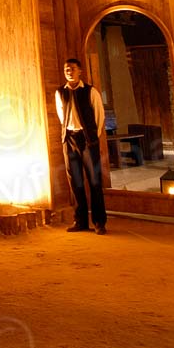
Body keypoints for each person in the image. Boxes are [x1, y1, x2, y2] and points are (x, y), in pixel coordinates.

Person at [55, 58, 107, 234]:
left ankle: (99, 222)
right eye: (66, 69)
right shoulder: (60, 92)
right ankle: (80, 221)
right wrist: (68, 132)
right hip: (69, 138)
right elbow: (62, 115)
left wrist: (92, 136)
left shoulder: (91, 92)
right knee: (75, 181)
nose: (69, 71)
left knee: (94, 180)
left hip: (87, 140)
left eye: (72, 69)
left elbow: (99, 116)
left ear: (80, 71)